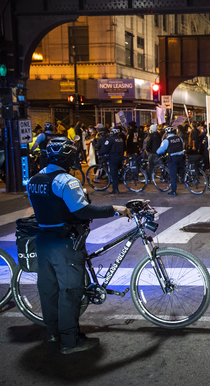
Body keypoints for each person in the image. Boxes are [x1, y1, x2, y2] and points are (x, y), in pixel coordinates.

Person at [27, 137, 131, 354]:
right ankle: (70, 342)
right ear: (69, 157)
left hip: (43, 241)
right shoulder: (66, 181)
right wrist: (115, 209)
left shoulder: (34, 179)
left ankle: (54, 333)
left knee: (48, 290)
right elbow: (81, 211)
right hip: (64, 245)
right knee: (70, 292)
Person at [157, 126, 185, 196]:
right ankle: (184, 179)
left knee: (173, 174)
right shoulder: (179, 138)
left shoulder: (166, 141)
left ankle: (173, 191)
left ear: (166, 134)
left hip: (173, 158)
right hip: (181, 157)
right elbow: (183, 146)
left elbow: (160, 150)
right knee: (182, 170)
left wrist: (157, 152)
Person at [99, 127, 125, 195]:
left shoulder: (111, 139)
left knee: (114, 173)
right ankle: (121, 178)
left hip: (113, 157)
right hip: (120, 157)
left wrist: (100, 152)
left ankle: (115, 189)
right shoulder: (120, 139)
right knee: (118, 170)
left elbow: (106, 148)